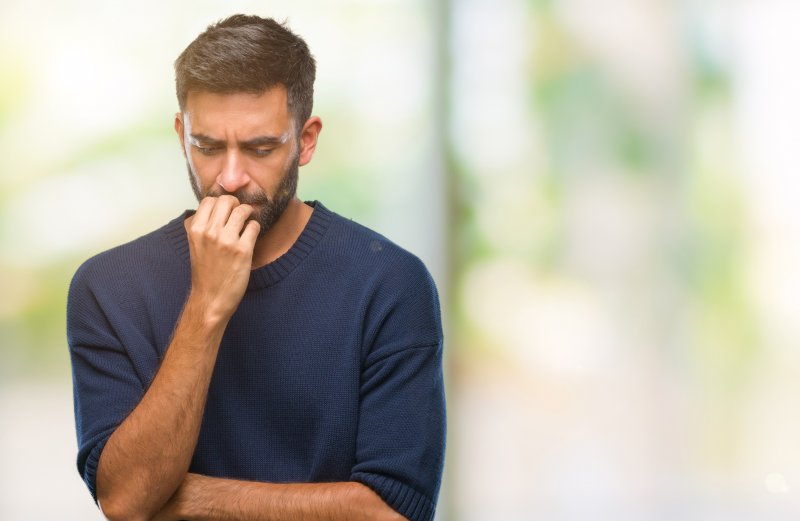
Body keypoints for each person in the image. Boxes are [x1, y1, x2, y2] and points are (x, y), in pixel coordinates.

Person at [67, 14, 445, 521]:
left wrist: (189, 498)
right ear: (181, 134)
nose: (229, 177)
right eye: (207, 147)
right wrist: (206, 306)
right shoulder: (108, 288)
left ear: (306, 140)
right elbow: (127, 502)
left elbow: (392, 512)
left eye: (260, 148)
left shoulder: (389, 283)